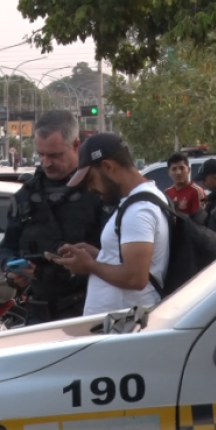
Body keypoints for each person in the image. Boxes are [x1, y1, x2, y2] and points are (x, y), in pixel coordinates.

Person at [0, 110, 105, 323]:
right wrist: (12, 269)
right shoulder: (26, 196)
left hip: (87, 311)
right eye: (41, 155)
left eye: (55, 155)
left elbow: (119, 258)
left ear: (76, 145)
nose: (46, 163)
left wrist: (93, 260)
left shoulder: (98, 192)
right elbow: (6, 247)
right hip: (36, 312)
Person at [53, 133, 171, 316]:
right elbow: (132, 264)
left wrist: (90, 265)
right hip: (119, 326)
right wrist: (100, 255)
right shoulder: (137, 202)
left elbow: (135, 278)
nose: (90, 189)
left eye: (91, 179)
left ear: (108, 167)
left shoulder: (139, 210)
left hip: (124, 327)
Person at [164, 152, 207, 218]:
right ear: (169, 172)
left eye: (182, 168)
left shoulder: (197, 191)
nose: (178, 172)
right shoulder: (167, 192)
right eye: (174, 169)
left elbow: (200, 222)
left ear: (189, 170)